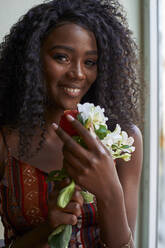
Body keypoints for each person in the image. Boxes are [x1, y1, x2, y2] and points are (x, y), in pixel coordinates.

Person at [0, 0, 143, 247]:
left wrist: (110, 192)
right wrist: (48, 228)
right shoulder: (4, 142)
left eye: (90, 62)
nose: (78, 73)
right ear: (32, 60)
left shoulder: (123, 140)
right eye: (62, 57)